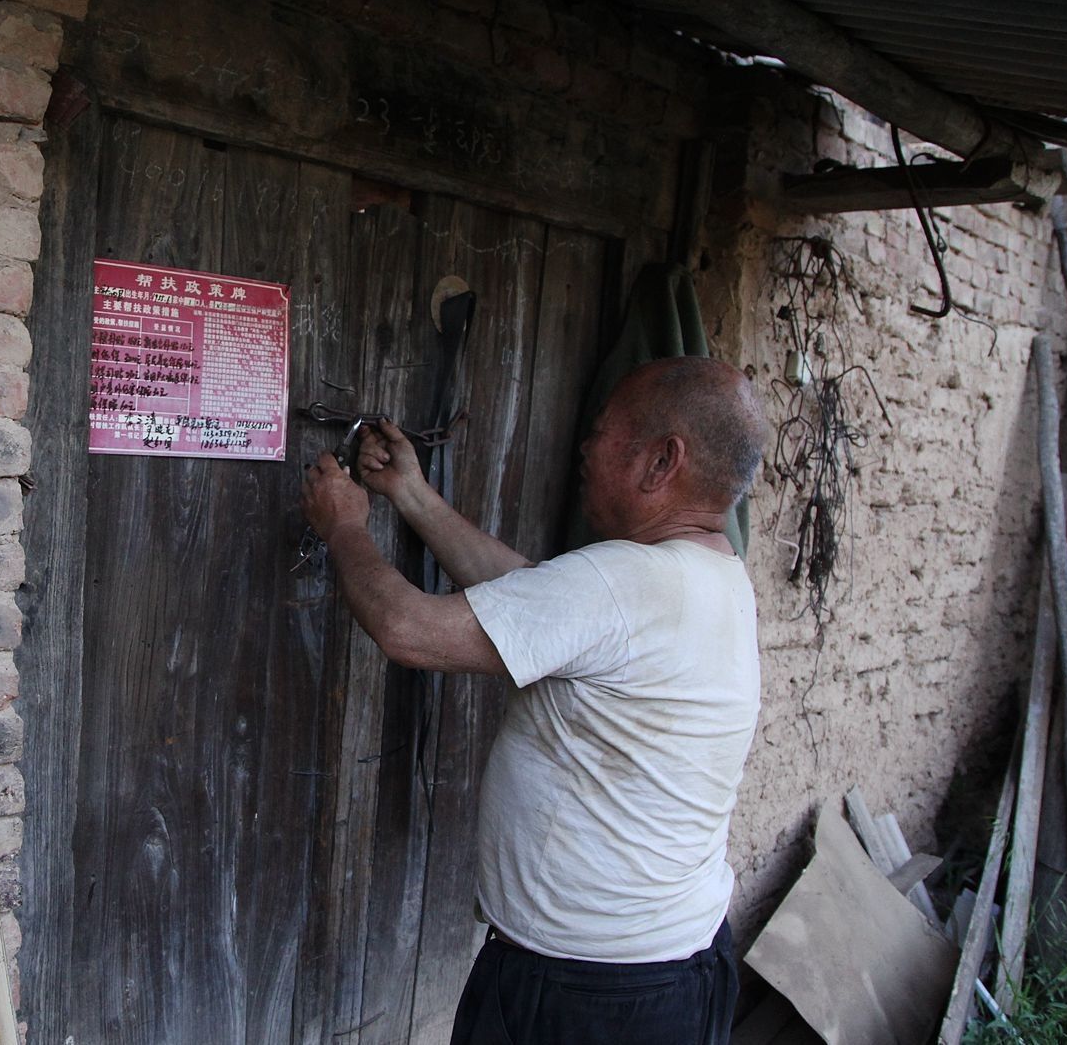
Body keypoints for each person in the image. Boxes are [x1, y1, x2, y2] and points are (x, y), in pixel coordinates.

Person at [299, 356, 765, 1045]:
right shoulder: (711, 576)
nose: (585, 444)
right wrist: (412, 495)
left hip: (591, 996)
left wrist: (344, 527)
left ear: (662, 462)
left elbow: (410, 631)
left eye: (604, 431)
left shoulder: (627, 582)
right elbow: (535, 607)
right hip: (671, 973)